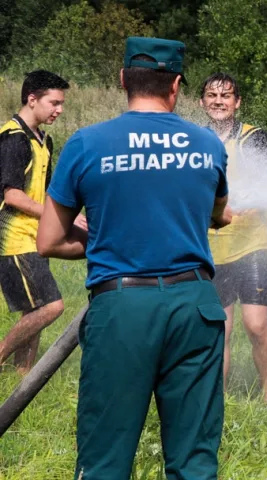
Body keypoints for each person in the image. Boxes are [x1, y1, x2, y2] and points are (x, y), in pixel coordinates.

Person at [37, 37, 231, 478]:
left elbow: (48, 241)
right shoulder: (207, 144)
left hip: (122, 309)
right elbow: (218, 215)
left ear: (123, 79)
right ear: (177, 85)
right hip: (195, 309)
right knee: (194, 461)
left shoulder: (87, 143)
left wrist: (107, 238)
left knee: (105, 457)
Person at [199, 72, 267, 406]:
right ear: (202, 102)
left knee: (256, 325)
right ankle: (216, 400)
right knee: (220, 330)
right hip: (209, 250)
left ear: (238, 102)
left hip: (253, 246)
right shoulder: (194, 139)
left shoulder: (255, 139)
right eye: (211, 95)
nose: (218, 101)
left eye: (226, 96)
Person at [0, 70, 77, 374]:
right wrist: (57, 216)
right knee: (51, 307)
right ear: (32, 99)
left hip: (33, 237)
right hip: (12, 240)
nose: (59, 110)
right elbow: (13, 195)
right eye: (54, 102)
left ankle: (23, 377)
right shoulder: (13, 139)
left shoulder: (43, 140)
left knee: (36, 308)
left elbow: (41, 193)